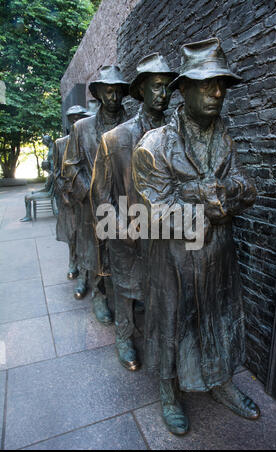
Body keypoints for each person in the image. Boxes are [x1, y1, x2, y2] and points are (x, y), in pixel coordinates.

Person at [132, 38, 260, 435]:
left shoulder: (225, 138)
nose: (217, 92)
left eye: (220, 83)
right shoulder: (153, 147)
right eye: (206, 84)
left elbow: (247, 187)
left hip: (218, 255)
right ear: (183, 89)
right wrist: (204, 206)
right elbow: (155, 214)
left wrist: (228, 194)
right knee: (172, 326)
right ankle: (169, 392)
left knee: (219, 320)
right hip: (172, 260)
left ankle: (220, 382)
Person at [91, 53, 177, 370]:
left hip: (166, 233)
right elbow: (100, 194)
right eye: (156, 86)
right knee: (126, 291)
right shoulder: (114, 139)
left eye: (168, 87)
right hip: (127, 232)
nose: (163, 94)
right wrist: (119, 229)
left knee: (163, 294)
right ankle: (124, 336)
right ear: (141, 90)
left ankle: (163, 344)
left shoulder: (177, 135)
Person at [63, 66, 129, 323]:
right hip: (93, 206)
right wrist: (90, 193)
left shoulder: (133, 124)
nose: (113, 97)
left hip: (125, 202)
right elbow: (69, 166)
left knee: (125, 248)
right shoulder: (82, 128)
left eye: (118, 92)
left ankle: (128, 295)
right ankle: (99, 296)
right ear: (99, 93)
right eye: (108, 91)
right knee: (97, 253)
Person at [53, 105, 87, 280]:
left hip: (86, 199)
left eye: (79, 117)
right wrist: (65, 195)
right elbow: (57, 173)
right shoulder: (60, 144)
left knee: (86, 235)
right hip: (69, 199)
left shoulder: (88, 140)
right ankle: (73, 262)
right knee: (72, 233)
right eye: (73, 118)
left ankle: (86, 270)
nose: (76, 121)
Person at [20, 135, 54, 222]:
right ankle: (28, 216)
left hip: (49, 192)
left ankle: (28, 216)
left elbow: (47, 190)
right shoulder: (51, 174)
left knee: (27, 197)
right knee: (29, 194)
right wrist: (35, 192)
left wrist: (36, 192)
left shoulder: (51, 175)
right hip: (49, 189)